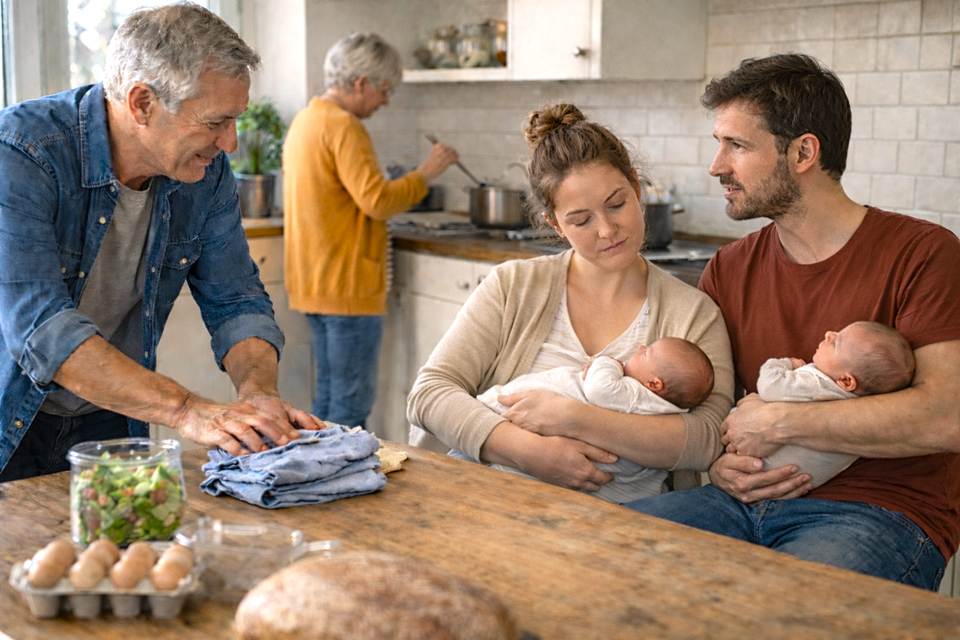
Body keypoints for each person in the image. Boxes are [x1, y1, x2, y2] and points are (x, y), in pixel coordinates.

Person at [625, 53, 960, 591]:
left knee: (783, 612)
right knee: (594, 554)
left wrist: (782, 422)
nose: (717, 165)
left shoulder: (924, 254)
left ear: (804, 151)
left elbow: (948, 417)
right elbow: (711, 410)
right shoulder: (729, 268)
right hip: (734, 503)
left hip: (877, 513)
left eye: (736, 145)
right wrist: (715, 463)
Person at [0, 2, 324, 482]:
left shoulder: (206, 173)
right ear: (142, 104)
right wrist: (187, 409)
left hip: (111, 417)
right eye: (215, 122)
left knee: (124, 553)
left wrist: (258, 394)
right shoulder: (22, 153)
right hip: (10, 418)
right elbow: (44, 334)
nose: (230, 143)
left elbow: (236, 299)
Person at [407, 104, 735, 498]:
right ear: (554, 223)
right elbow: (430, 394)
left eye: (617, 204)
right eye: (581, 220)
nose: (607, 229)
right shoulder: (513, 286)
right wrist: (529, 452)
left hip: (625, 524)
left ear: (636, 185)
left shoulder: (692, 313)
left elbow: (706, 439)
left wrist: (575, 418)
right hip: (492, 503)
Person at [283, 33, 459, 429]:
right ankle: (341, 486)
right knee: (350, 405)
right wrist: (427, 172)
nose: (385, 100)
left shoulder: (306, 119)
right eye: (383, 89)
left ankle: (319, 481)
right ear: (360, 82)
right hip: (346, 284)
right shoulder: (344, 126)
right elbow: (377, 200)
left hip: (313, 282)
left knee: (327, 397)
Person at [478, 337, 715, 503]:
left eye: (646, 352)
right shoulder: (664, 409)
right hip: (611, 491)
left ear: (654, 384)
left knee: (508, 400)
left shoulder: (635, 394)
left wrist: (607, 362)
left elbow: (598, 390)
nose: (640, 347)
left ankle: (487, 405)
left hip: (521, 419)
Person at [758, 321, 915, 488]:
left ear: (846, 381)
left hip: (757, 467)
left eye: (835, 343)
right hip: (788, 486)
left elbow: (769, 386)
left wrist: (783, 363)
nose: (828, 334)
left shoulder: (818, 385)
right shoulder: (860, 421)